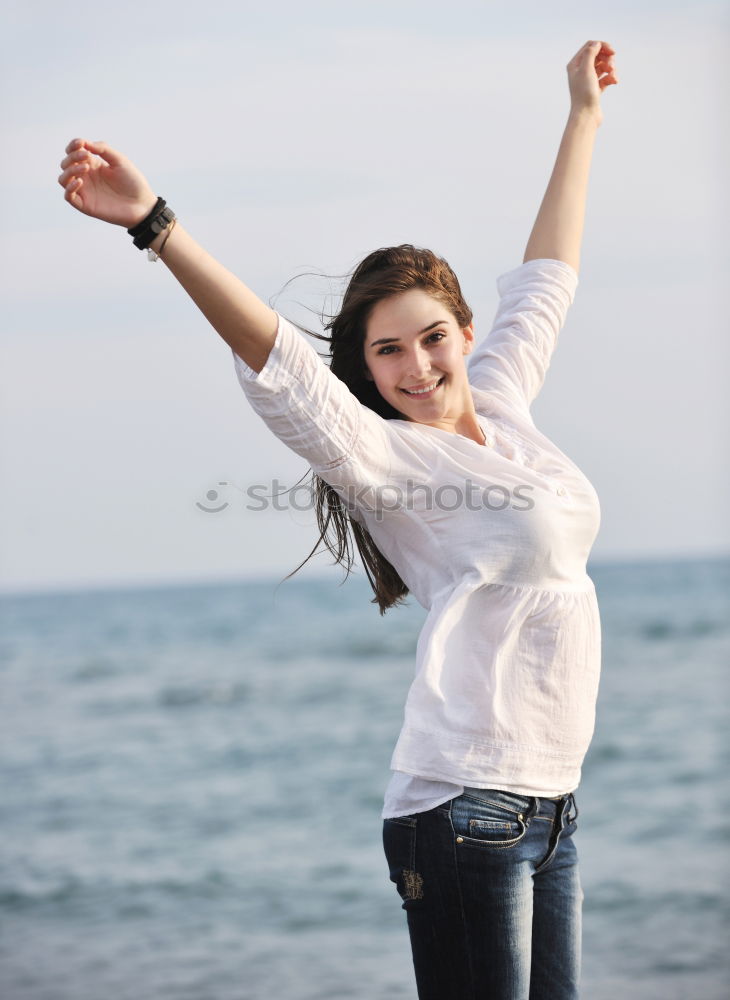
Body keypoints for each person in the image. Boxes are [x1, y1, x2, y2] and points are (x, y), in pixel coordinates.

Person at [58, 38, 618, 1000]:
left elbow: (547, 278)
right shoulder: (388, 459)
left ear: (464, 333)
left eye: (432, 337)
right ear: (370, 367)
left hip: (552, 809)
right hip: (464, 809)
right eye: (388, 352)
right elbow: (282, 364)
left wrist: (582, 118)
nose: (418, 368)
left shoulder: (507, 406)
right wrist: (155, 224)